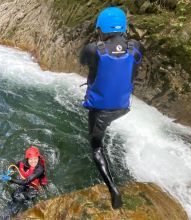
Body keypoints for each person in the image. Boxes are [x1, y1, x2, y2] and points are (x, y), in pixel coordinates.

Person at [80, 7, 142, 209]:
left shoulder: (92, 49)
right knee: (106, 125)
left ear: (101, 28)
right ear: (123, 27)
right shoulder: (136, 47)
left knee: (96, 147)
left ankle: (113, 189)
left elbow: (83, 62)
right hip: (123, 107)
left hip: (101, 110)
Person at [0, 146, 47, 216]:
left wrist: (10, 179)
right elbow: (15, 165)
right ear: (27, 159)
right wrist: (11, 170)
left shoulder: (39, 169)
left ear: (38, 158)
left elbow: (26, 181)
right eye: (31, 159)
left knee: (24, 198)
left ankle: (19, 215)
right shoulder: (23, 162)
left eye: (35, 159)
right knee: (14, 196)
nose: (33, 161)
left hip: (34, 187)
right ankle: (6, 213)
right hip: (25, 183)